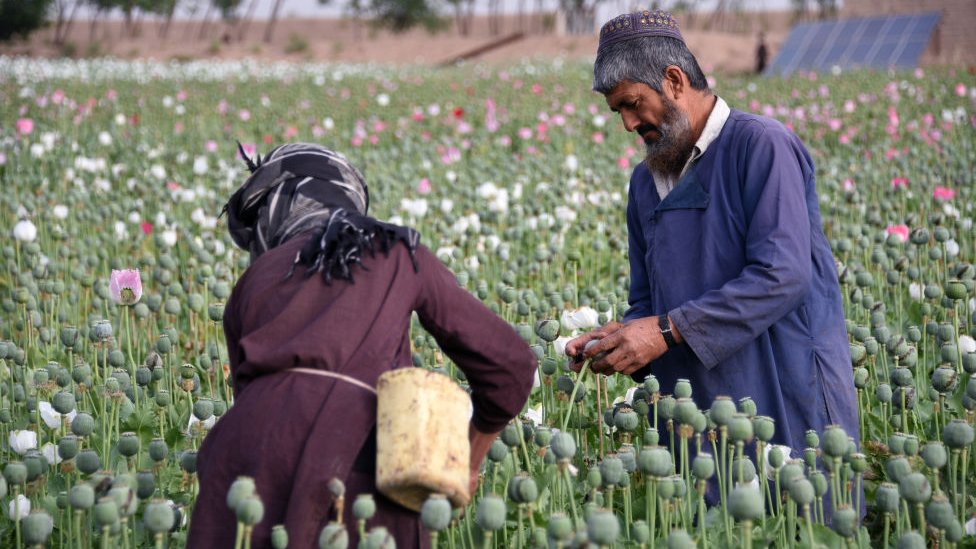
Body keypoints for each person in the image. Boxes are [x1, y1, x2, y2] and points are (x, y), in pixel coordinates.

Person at [566, 10, 859, 496]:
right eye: (618, 111)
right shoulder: (645, 183)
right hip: (693, 414)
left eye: (633, 104)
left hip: (783, 395)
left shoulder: (761, 146)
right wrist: (620, 344)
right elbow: (648, 303)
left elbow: (782, 275)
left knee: (795, 524)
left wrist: (665, 330)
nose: (627, 123)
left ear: (675, 81)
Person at [188, 143, 537, 547]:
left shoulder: (251, 281)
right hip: (357, 451)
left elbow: (251, 396)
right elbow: (510, 364)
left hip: (242, 457)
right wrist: (470, 458)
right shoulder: (395, 250)